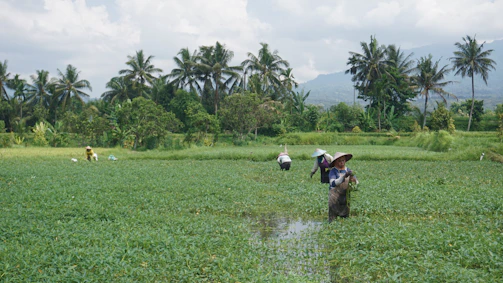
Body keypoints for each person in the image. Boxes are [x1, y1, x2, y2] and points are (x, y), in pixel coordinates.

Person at [328, 152, 358, 221]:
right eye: (339, 161)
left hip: (345, 197)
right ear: (335, 162)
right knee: (332, 218)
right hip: (334, 197)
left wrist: (354, 180)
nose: (341, 162)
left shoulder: (348, 170)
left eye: (343, 160)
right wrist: (343, 177)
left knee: (345, 217)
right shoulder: (333, 171)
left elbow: (356, 183)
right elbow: (332, 183)